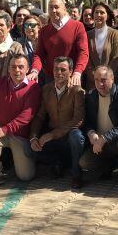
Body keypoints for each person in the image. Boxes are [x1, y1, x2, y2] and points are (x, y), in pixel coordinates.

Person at [0, 55, 41, 185]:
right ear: (8, 69)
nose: (17, 70)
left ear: (28, 69)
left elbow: (27, 115)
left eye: (21, 67)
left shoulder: (33, 87)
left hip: (20, 135)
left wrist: (6, 129)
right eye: (13, 67)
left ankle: (25, 159)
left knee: (26, 176)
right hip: (0, 128)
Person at [29, 57, 86, 188]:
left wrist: (52, 135)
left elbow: (78, 120)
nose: (58, 73)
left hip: (69, 137)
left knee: (76, 137)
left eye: (63, 70)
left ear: (71, 71)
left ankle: (76, 174)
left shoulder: (78, 91)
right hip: (53, 139)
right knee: (31, 148)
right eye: (56, 69)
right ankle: (57, 163)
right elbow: (39, 116)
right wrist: (33, 137)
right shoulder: (46, 89)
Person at [79, 65, 118, 189]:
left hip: (117, 140)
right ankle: (108, 167)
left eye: (104, 80)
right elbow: (87, 121)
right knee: (84, 162)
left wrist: (105, 137)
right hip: (100, 142)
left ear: (112, 79)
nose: (100, 84)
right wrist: (91, 133)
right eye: (96, 80)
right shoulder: (91, 96)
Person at [30, 0, 89, 87]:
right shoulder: (44, 31)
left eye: (56, 7)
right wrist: (35, 70)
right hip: (51, 79)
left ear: (64, 9)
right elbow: (39, 54)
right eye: (50, 7)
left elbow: (83, 52)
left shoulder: (77, 26)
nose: (53, 10)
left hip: (72, 78)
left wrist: (77, 72)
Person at [86, 3, 118, 90]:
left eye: (102, 13)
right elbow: (86, 58)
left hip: (110, 83)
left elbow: (117, 58)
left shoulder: (115, 34)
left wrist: (105, 77)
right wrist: (95, 77)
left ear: (107, 16)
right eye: (96, 12)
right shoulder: (88, 35)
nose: (98, 15)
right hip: (92, 83)